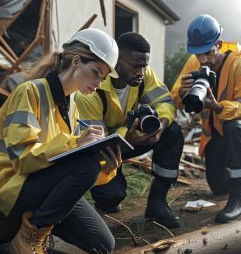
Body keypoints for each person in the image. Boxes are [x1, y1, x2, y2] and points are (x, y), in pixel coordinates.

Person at [0, 28, 122, 254]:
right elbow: (23, 159)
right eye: (96, 72)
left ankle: (41, 218)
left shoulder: (73, 106)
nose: (98, 82)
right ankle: (29, 237)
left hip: (43, 183)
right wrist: (75, 145)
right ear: (77, 60)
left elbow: (68, 167)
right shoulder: (29, 92)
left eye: (102, 78)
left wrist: (106, 169)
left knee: (103, 245)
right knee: (86, 165)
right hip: (13, 184)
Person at [75, 32, 184, 228]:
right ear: (116, 63)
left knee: (173, 131)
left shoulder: (143, 76)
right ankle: (106, 197)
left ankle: (157, 203)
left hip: (133, 138)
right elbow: (97, 144)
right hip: (105, 150)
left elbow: (166, 103)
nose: (142, 72)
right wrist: (127, 139)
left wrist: (161, 127)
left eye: (145, 66)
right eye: (136, 66)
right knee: (111, 198)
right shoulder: (91, 90)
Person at [171, 14, 241, 223]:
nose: (202, 60)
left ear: (218, 45)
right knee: (218, 186)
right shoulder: (193, 63)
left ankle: (238, 200)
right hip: (215, 134)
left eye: (207, 53)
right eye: (197, 54)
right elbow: (175, 97)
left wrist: (217, 106)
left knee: (234, 126)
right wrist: (182, 94)